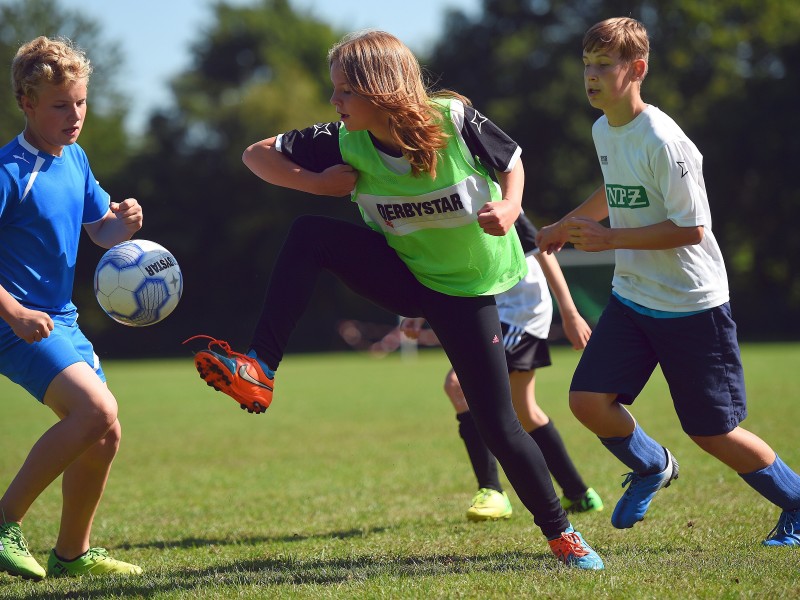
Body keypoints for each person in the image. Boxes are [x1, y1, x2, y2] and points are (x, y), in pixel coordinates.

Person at [186, 30, 604, 569]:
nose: (334, 102)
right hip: (406, 275)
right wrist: (316, 185)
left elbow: (513, 160)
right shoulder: (342, 138)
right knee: (309, 233)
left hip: (470, 288)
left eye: (343, 92)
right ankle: (260, 368)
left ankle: (563, 535)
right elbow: (255, 154)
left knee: (499, 423)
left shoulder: (453, 120)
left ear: (380, 89)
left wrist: (510, 205)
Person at [536, 17, 800, 545]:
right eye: (586, 64)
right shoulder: (602, 129)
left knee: (711, 431)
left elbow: (691, 227)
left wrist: (610, 242)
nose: (590, 75)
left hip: (692, 305)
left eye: (603, 64)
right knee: (587, 401)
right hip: (634, 298)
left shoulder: (663, 138)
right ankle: (653, 465)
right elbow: (617, 192)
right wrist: (566, 225)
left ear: (637, 69)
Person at [0, 36, 145, 580]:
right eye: (61, 104)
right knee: (95, 412)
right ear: (27, 102)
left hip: (59, 319)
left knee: (105, 433)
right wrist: (12, 312)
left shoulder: (76, 159)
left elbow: (100, 229)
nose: (75, 114)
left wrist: (122, 224)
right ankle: (3, 521)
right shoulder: (11, 170)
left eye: (81, 102)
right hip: (14, 321)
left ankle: (72, 555)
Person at [401, 212, 603, 522]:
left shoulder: (493, 201)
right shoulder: (439, 205)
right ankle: (579, 493)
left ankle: (492, 492)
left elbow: (543, 252)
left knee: (459, 386)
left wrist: (571, 312)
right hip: (495, 308)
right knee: (525, 411)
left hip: (520, 311)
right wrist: (420, 310)